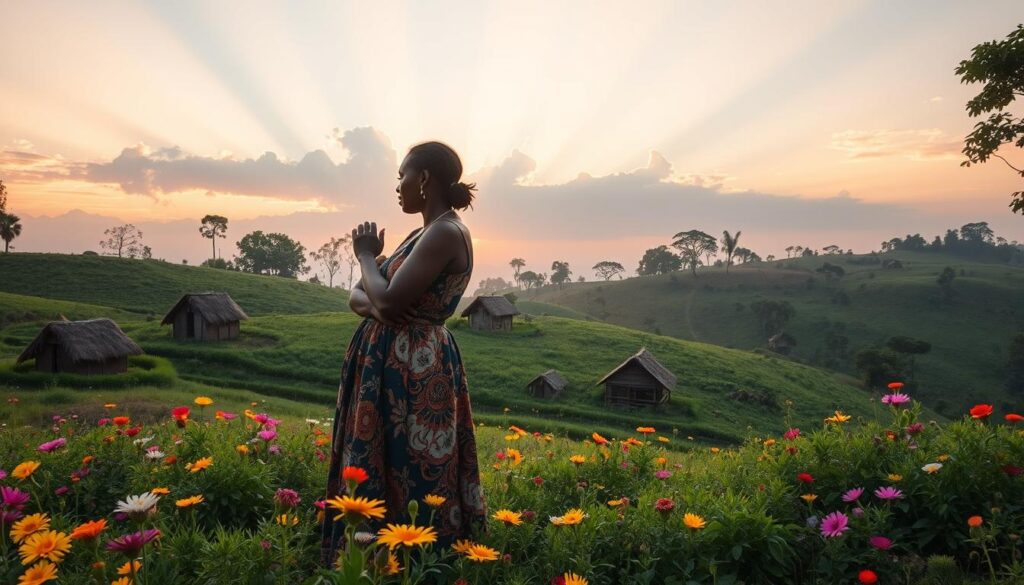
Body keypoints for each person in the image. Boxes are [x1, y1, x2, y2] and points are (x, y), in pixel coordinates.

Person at [321, 141, 488, 567]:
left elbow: (388, 303)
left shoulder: (446, 233)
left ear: (425, 179)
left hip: (415, 367)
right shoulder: (422, 232)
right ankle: (374, 559)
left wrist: (364, 258)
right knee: (386, 457)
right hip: (392, 362)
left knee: (412, 462)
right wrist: (375, 291)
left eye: (402, 176)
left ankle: (415, 563)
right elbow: (358, 299)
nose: (398, 186)